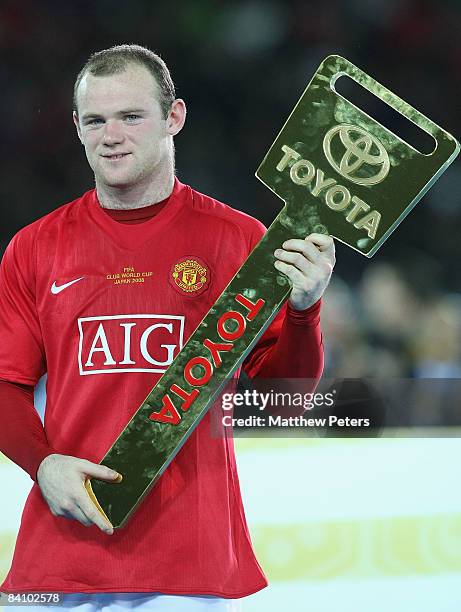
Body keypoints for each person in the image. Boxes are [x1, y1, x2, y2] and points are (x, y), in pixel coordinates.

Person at [0, 44, 335, 611]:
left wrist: (304, 312)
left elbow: (287, 397)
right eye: (95, 120)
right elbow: (6, 386)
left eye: (131, 116)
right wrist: (43, 464)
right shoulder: (34, 248)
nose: (111, 136)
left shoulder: (238, 240)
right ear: (76, 127)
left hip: (187, 567)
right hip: (62, 559)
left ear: (173, 117)